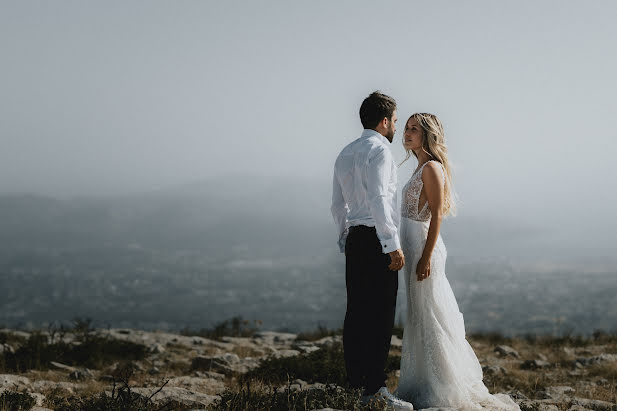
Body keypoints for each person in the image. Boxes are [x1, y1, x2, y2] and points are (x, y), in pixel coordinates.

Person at [394, 113, 520, 410]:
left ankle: (444, 385)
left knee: (432, 313)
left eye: (414, 129)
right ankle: (424, 379)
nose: (407, 133)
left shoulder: (431, 168)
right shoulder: (418, 168)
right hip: (413, 248)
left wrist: (425, 257)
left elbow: (437, 214)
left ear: (427, 135)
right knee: (419, 315)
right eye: (407, 128)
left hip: (425, 249)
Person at [331, 91, 413, 409]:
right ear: (383, 121)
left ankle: (356, 386)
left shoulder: (345, 153)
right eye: (394, 120)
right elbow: (380, 199)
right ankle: (375, 390)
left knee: (356, 312)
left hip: (354, 237)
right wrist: (392, 245)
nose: (395, 126)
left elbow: (337, 204)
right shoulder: (380, 152)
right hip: (377, 238)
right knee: (380, 315)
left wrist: (344, 238)